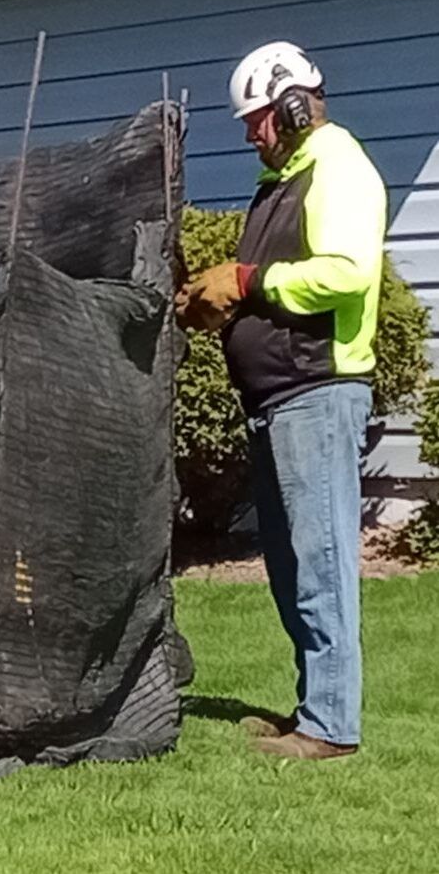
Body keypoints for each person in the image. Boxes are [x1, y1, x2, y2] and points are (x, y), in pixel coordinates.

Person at [176, 41, 386, 761]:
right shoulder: (287, 181)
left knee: (319, 558)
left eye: (256, 118)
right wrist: (222, 302)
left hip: (316, 392)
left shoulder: (338, 168)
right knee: (290, 563)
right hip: (276, 397)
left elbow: (345, 274)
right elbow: (268, 279)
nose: (248, 133)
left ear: (292, 106)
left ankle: (330, 725)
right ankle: (312, 706)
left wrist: (242, 281)